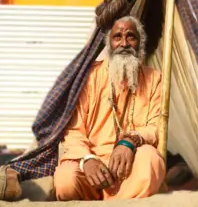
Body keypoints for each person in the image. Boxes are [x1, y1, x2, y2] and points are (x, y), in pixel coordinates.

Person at [53, 15, 165, 201]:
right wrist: (87, 160)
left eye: (131, 36)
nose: (124, 43)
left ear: (140, 43)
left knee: (150, 158)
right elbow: (73, 131)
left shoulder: (155, 79)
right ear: (109, 43)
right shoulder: (89, 77)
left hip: (130, 167)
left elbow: (156, 126)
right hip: (92, 167)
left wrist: (130, 141)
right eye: (117, 37)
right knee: (66, 179)